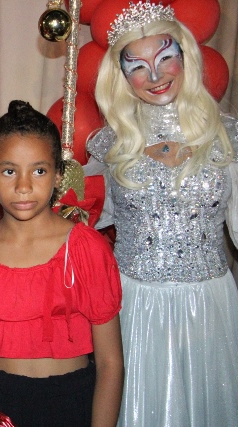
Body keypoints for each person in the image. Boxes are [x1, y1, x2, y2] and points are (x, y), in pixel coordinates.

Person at [86, 1, 238, 425]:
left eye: (165, 58)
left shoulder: (227, 139)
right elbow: (84, 222)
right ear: (121, 76)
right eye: (137, 66)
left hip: (208, 308)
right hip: (134, 307)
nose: (154, 77)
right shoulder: (108, 147)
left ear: (186, 57)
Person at [0, 101, 124, 427]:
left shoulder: (86, 248)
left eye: (39, 171)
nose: (24, 186)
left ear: (58, 176)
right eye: (9, 171)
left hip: (71, 402)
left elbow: (110, 362)